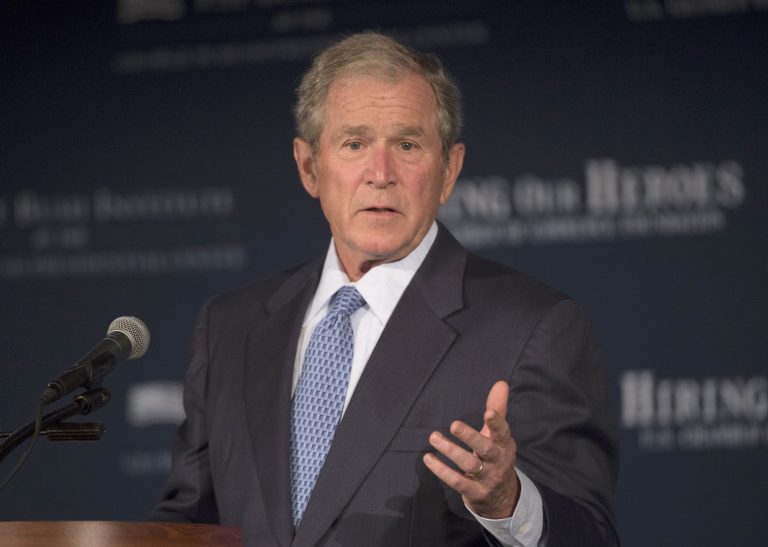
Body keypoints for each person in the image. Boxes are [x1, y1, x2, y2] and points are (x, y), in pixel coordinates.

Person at [150, 32, 619, 547]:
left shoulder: (531, 327)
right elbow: (188, 524)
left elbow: (589, 536)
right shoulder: (230, 327)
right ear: (309, 166)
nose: (380, 174)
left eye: (407, 144)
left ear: (449, 170)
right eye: (354, 144)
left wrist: (507, 503)